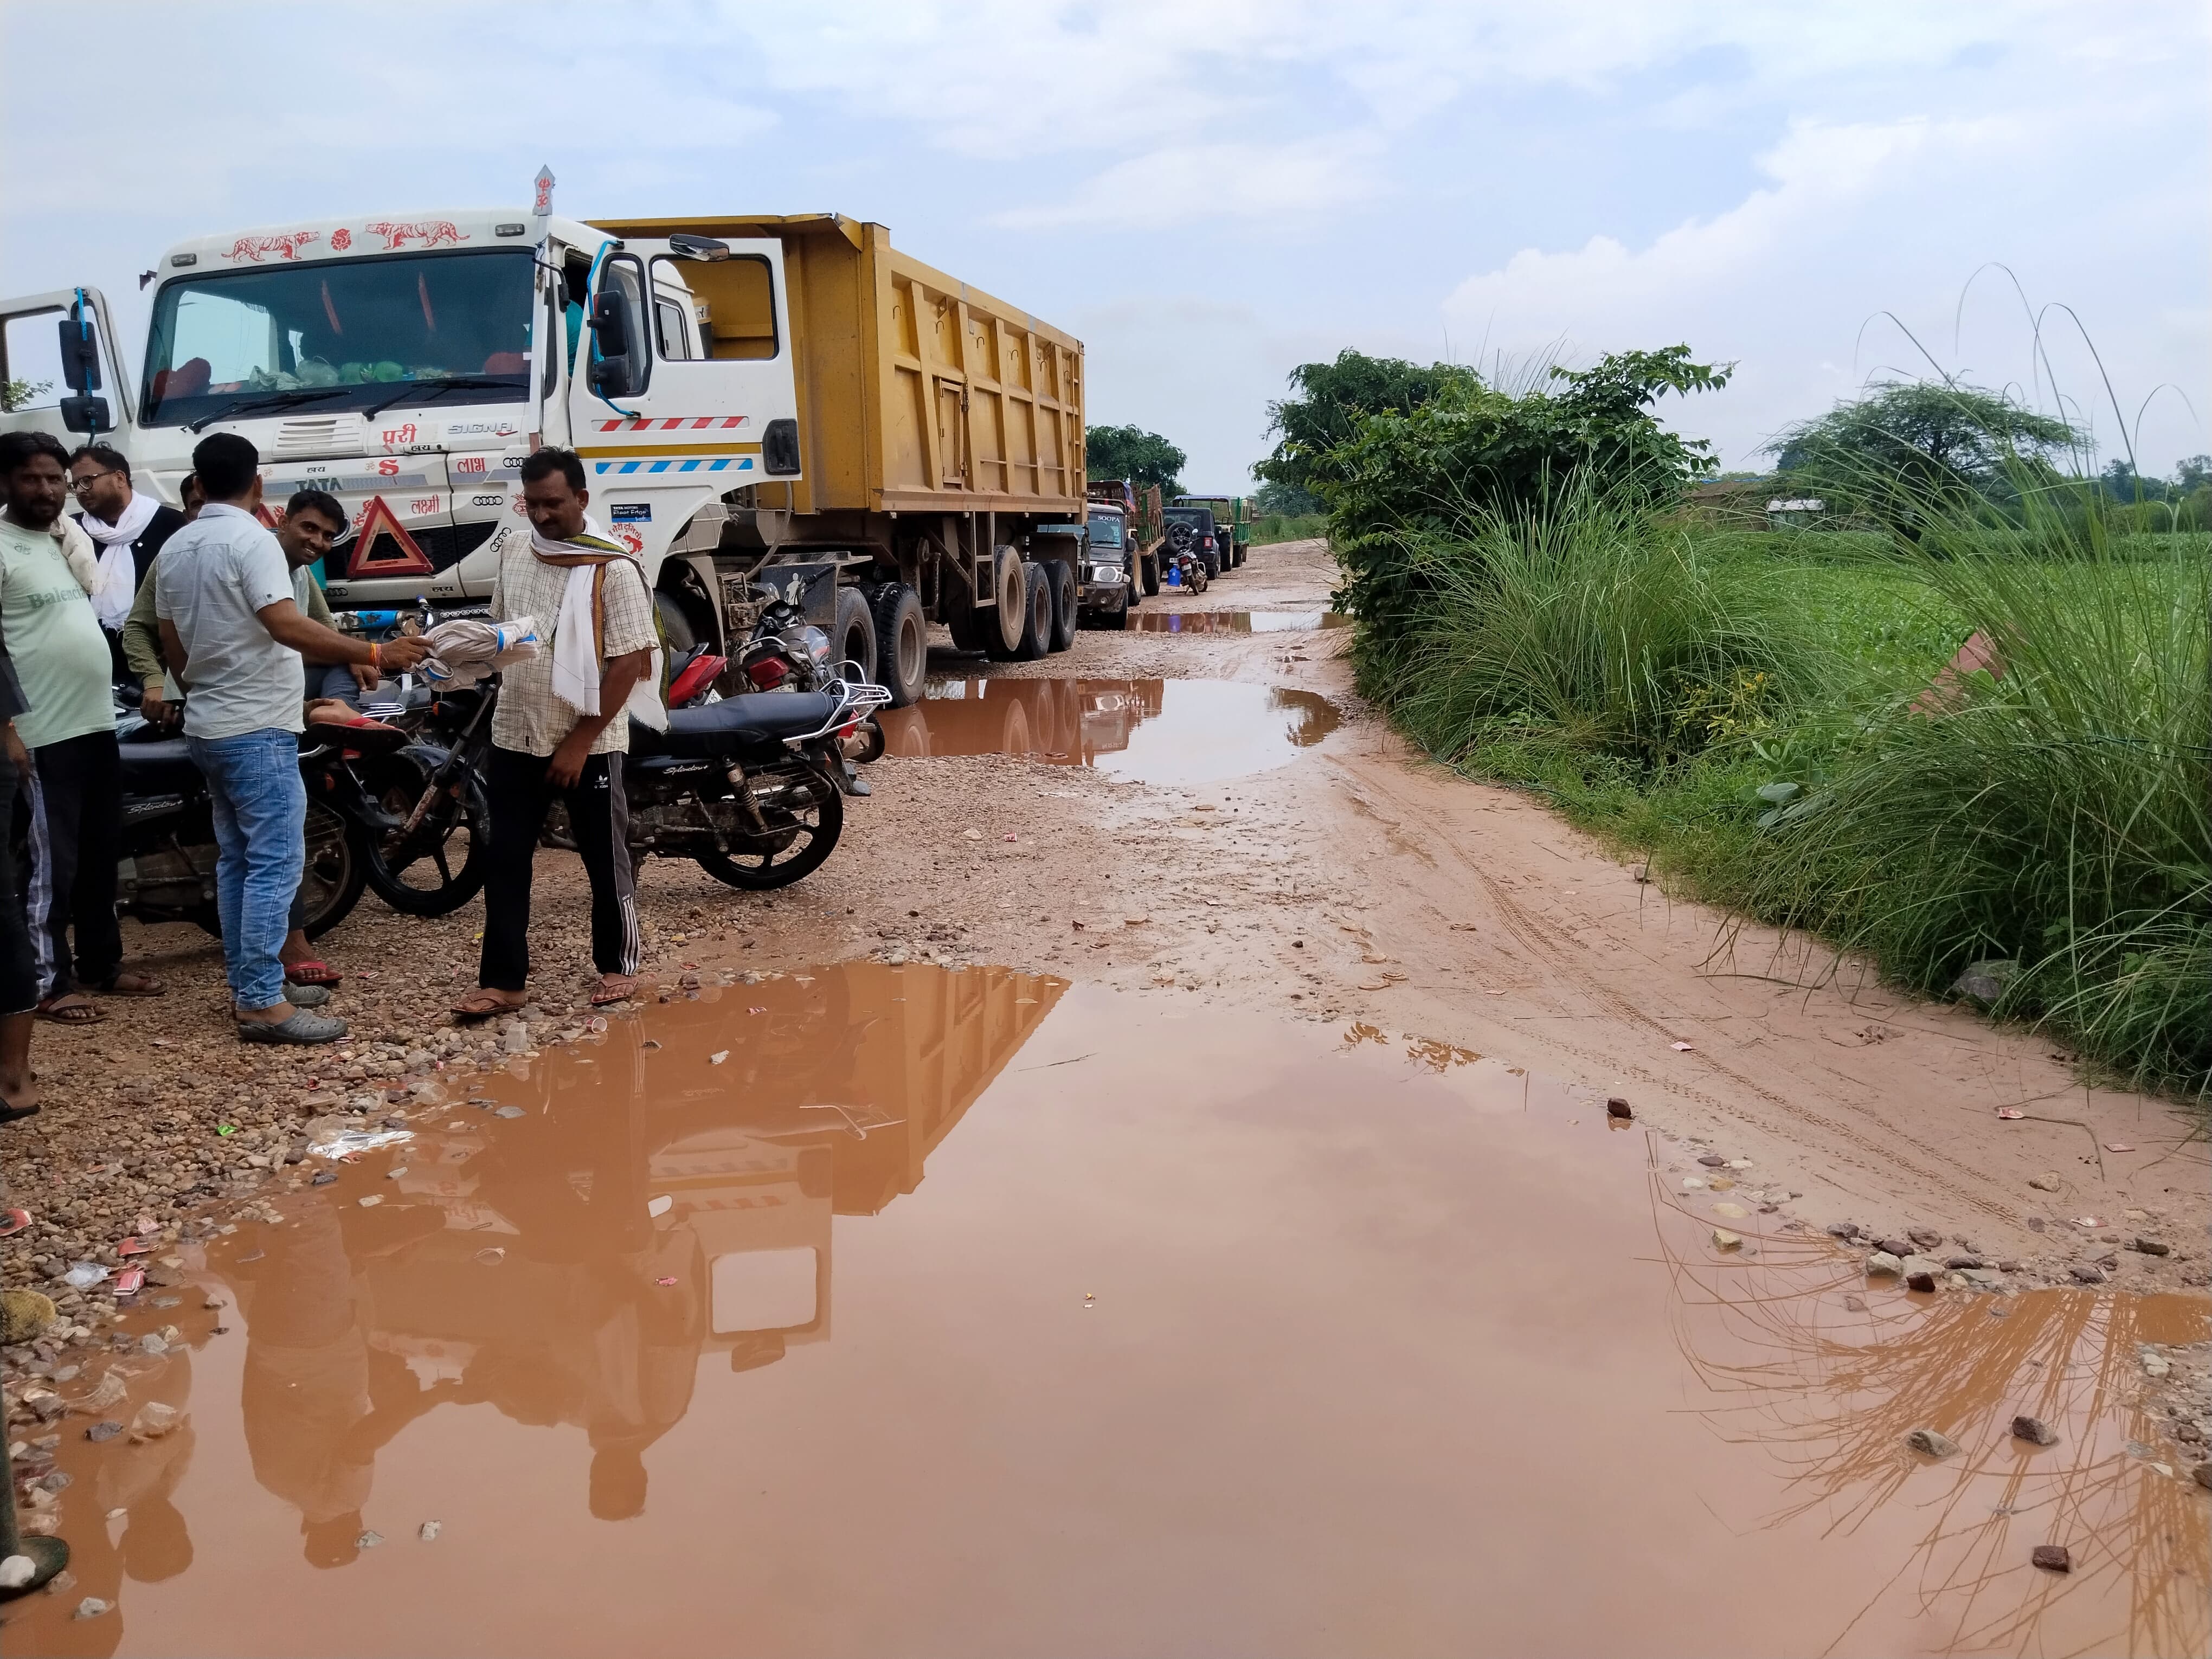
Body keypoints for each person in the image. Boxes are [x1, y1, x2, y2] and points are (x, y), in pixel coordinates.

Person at [153, 433, 428, 1044]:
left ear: (198, 482)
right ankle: (259, 1002)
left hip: (210, 723)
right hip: (254, 729)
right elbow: (285, 625)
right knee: (275, 862)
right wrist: (375, 650)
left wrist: (206, 688)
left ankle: (254, 984)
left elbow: (172, 644)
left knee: (239, 860)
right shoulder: (253, 541)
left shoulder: (178, 545)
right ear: (257, 486)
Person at [452, 447, 659, 1019]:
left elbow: (629, 662)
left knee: (604, 858)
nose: (541, 516)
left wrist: (578, 742)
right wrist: (461, 654)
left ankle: (618, 966)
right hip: (515, 729)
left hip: (589, 742)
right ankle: (504, 982)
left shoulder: (612, 567)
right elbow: (505, 633)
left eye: (553, 504)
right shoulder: (516, 551)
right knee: (506, 857)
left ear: (582, 501)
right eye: (533, 504)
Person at [0, 430, 164, 1025]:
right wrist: (8, 728)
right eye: (32, 479)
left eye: (55, 479)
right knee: (52, 865)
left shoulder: (63, 538)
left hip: (96, 724)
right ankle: (48, 981)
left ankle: (102, 964)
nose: (47, 490)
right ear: (5, 483)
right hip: (40, 732)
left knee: (101, 855)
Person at [69, 442, 187, 678]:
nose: (81, 490)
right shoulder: (72, 530)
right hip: (91, 662)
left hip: (160, 660)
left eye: (87, 481)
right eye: (74, 485)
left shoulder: (170, 524)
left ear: (120, 478)